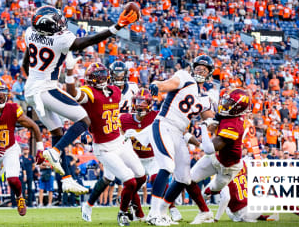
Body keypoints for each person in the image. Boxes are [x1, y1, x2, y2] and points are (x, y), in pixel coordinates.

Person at [22, 6, 138, 196]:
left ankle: (67, 180)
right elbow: (86, 42)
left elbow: (25, 63)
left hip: (32, 89)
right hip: (45, 88)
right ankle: (55, 152)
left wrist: (34, 79)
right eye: (57, 22)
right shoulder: (60, 39)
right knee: (84, 119)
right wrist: (116, 27)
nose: (61, 23)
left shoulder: (30, 33)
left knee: (58, 132)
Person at [66, 61, 146, 226]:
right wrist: (69, 74)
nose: (101, 79)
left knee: (141, 176)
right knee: (129, 181)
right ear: (90, 79)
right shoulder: (89, 92)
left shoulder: (115, 91)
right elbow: (74, 94)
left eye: (103, 75)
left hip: (120, 141)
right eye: (97, 76)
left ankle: (125, 201)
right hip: (104, 147)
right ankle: (123, 213)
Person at [146, 55, 215, 226]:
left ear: (209, 74)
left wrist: (216, 119)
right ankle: (153, 214)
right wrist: (157, 86)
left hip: (179, 134)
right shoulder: (185, 77)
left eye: (205, 69)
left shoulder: (205, 98)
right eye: (198, 67)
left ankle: (162, 211)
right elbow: (169, 84)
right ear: (193, 67)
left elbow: (211, 120)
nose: (201, 70)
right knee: (167, 166)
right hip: (164, 124)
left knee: (184, 178)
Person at [0, 79, 44, 225]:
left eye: (3, 92)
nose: (1, 96)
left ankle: (20, 197)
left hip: (10, 150)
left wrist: (40, 148)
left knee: (12, 178)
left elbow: (34, 127)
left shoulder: (13, 108)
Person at [184, 89, 250, 223]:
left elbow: (208, 149)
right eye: (226, 100)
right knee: (188, 179)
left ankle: (210, 197)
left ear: (237, 108)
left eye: (230, 103)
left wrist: (203, 127)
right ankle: (204, 212)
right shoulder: (229, 113)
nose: (225, 104)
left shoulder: (235, 125)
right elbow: (213, 118)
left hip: (228, 168)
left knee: (213, 189)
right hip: (216, 157)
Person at [120, 89, 182, 222]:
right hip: (135, 158)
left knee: (157, 178)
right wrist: (121, 136)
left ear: (150, 103)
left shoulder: (157, 116)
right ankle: (138, 213)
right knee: (132, 184)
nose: (140, 104)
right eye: (138, 101)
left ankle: (170, 207)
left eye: (144, 102)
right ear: (132, 102)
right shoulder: (124, 119)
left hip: (153, 157)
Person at [216, 161, 299, 222]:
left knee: (253, 198)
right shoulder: (242, 165)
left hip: (233, 214)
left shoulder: (223, 174)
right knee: (278, 199)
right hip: (244, 212)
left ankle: (264, 217)